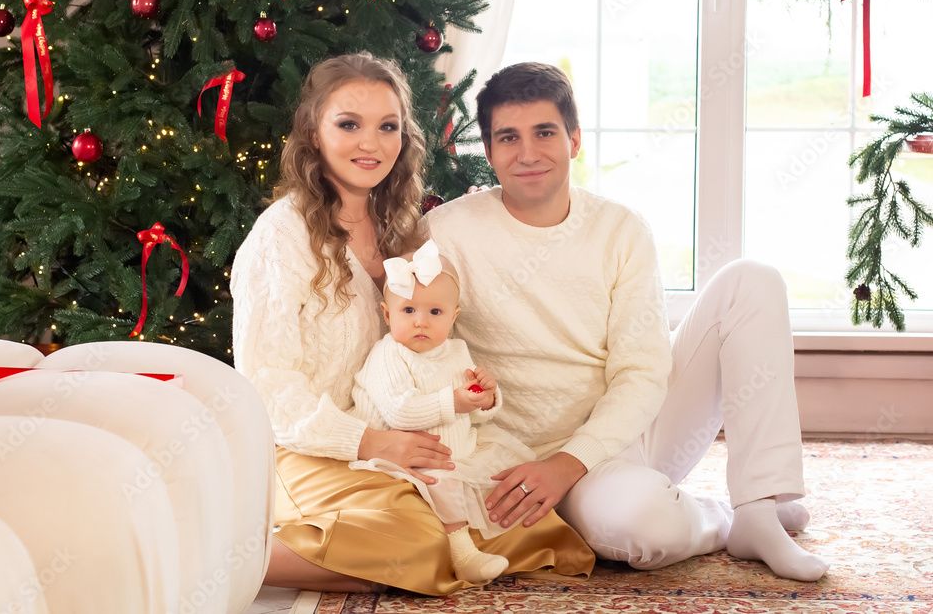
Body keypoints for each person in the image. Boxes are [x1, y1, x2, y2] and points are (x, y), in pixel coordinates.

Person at [424, 62, 830, 582]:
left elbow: (641, 372)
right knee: (645, 531)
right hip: (531, 462)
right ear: (489, 148)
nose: (527, 153)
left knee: (752, 279)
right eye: (508, 137)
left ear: (573, 140)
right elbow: (411, 336)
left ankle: (758, 504)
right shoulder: (444, 234)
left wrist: (573, 457)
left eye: (544, 132)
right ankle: (727, 519)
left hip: (627, 434)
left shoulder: (620, 229)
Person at [230, 52, 595, 595]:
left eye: (387, 127)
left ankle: (363, 535)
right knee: (425, 543)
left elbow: (424, 340)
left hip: (393, 437)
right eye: (348, 124)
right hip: (304, 445)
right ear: (313, 131)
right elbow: (270, 390)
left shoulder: (399, 224)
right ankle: (223, 557)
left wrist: (464, 389)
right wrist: (371, 442)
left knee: (511, 522)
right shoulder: (280, 238)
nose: (369, 144)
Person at [349, 239, 537, 584]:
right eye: (408, 311)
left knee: (507, 475)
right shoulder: (389, 353)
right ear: (387, 313)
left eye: (434, 313)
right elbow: (400, 412)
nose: (421, 322)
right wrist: (455, 401)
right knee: (443, 480)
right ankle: (463, 553)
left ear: (453, 317)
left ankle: (496, 540)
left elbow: (473, 412)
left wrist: (485, 396)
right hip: (405, 453)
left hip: (457, 448)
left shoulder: (455, 350)